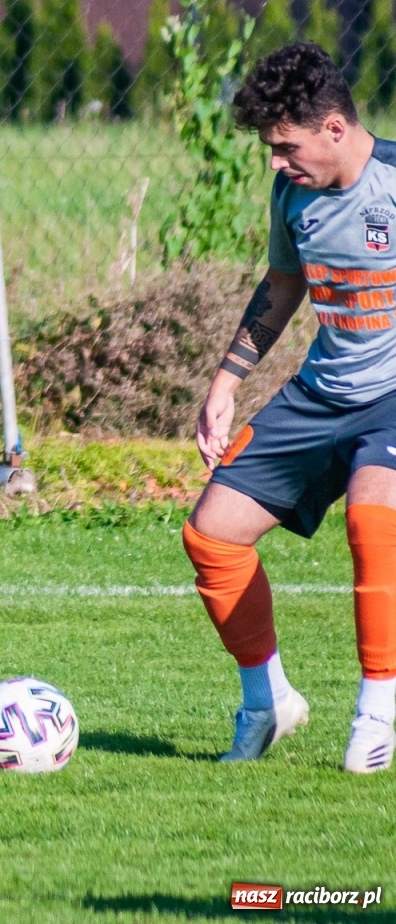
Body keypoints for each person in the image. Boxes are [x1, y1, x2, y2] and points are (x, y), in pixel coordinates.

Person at [186, 41, 396, 773]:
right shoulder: (293, 195)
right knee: (212, 536)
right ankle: (267, 702)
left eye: (286, 145)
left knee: (376, 519)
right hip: (320, 391)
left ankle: (377, 711)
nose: (277, 161)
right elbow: (282, 287)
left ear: (334, 128)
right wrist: (226, 379)